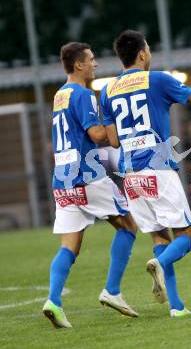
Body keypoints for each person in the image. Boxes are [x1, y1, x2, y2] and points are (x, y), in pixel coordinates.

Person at [100, 30, 191, 317]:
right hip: (158, 169)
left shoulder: (107, 90)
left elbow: (113, 140)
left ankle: (176, 306)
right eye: (149, 49)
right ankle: (162, 265)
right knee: (187, 237)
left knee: (159, 238)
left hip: (129, 175)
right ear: (142, 54)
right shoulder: (158, 79)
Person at [43, 42, 139, 329]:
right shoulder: (84, 95)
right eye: (92, 59)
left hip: (62, 179)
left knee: (69, 247)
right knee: (129, 226)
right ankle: (112, 290)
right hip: (87, 175)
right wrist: (115, 120)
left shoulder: (59, 95)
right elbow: (97, 133)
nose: (95, 64)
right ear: (79, 65)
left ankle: (53, 301)